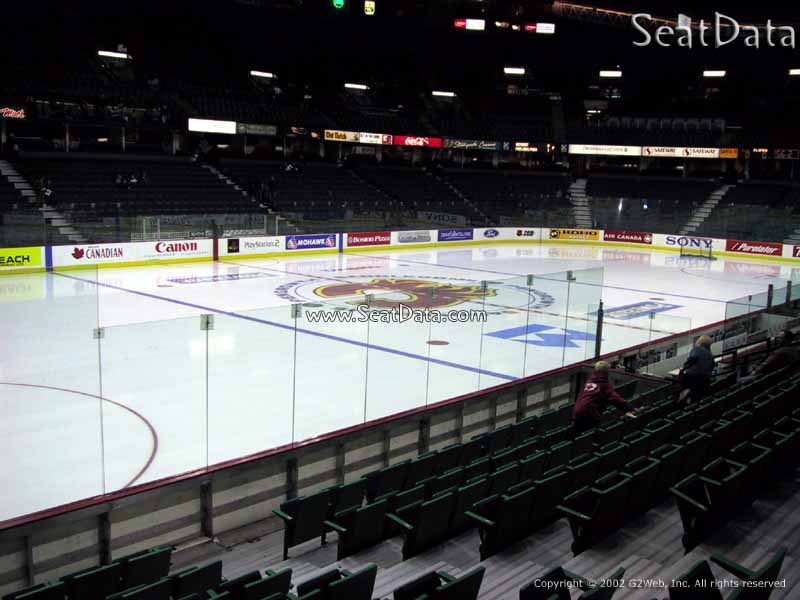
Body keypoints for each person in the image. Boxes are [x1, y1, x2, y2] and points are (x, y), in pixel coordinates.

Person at [572, 361, 636, 434]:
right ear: (606, 372)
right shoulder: (604, 385)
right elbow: (615, 398)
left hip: (576, 412)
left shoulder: (589, 381)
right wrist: (630, 408)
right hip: (589, 413)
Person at [679, 335, 715, 405]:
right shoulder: (710, 355)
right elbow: (712, 366)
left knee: (682, 379)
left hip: (693, 378)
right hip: (705, 381)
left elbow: (692, 359)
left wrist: (684, 368)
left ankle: (685, 395)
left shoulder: (697, 350)